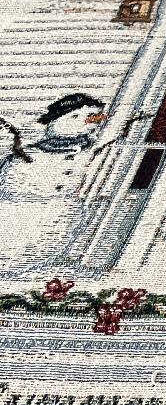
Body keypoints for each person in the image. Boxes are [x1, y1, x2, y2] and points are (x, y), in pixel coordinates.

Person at [0, 93, 108, 275]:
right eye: (74, 116)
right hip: (16, 218)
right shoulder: (25, 156)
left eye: (92, 117)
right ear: (53, 121)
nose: (84, 122)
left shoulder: (94, 152)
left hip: (58, 226)